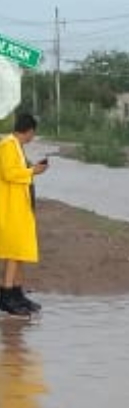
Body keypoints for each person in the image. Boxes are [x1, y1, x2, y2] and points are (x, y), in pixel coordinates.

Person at [0, 114, 48, 317]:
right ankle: (7, 295)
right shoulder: (8, 146)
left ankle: (18, 294)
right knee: (12, 252)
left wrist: (31, 169)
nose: (32, 137)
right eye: (33, 133)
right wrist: (33, 171)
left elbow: (17, 170)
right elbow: (9, 173)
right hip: (10, 207)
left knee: (20, 252)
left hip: (20, 205)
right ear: (28, 130)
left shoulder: (17, 146)